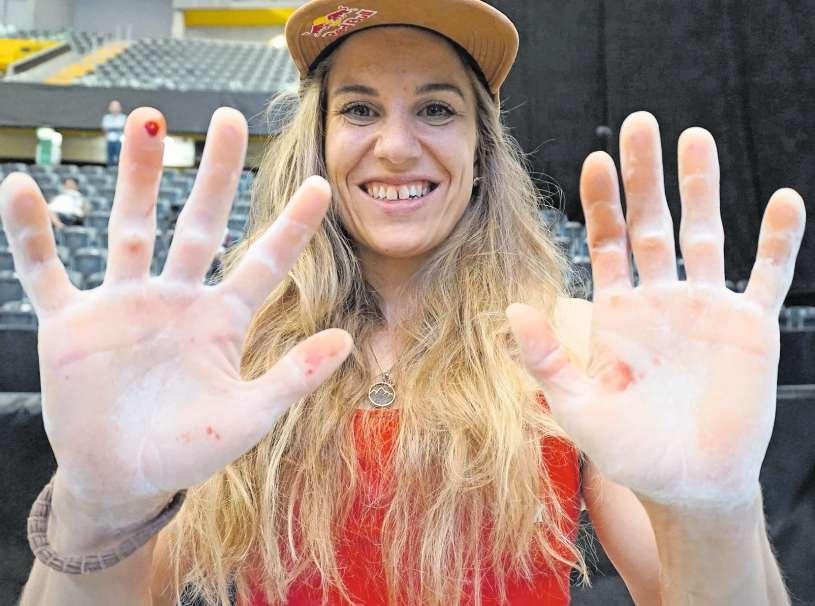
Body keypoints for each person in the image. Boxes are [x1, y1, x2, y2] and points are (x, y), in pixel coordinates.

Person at [1, 1, 805, 605]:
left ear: (481, 150)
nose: (394, 145)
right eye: (358, 108)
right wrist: (97, 507)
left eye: (436, 108)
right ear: (317, 141)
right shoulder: (235, 360)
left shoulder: (566, 347)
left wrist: (715, 510)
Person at [101, 99, 127, 166]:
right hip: (109, 140)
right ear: (109, 108)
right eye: (113, 107)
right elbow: (105, 128)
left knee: (120, 156)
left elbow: (124, 128)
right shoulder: (106, 118)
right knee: (109, 157)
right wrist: (117, 128)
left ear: (120, 108)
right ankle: (110, 167)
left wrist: (113, 129)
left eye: (116, 107)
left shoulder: (123, 117)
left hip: (120, 141)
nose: (114, 109)